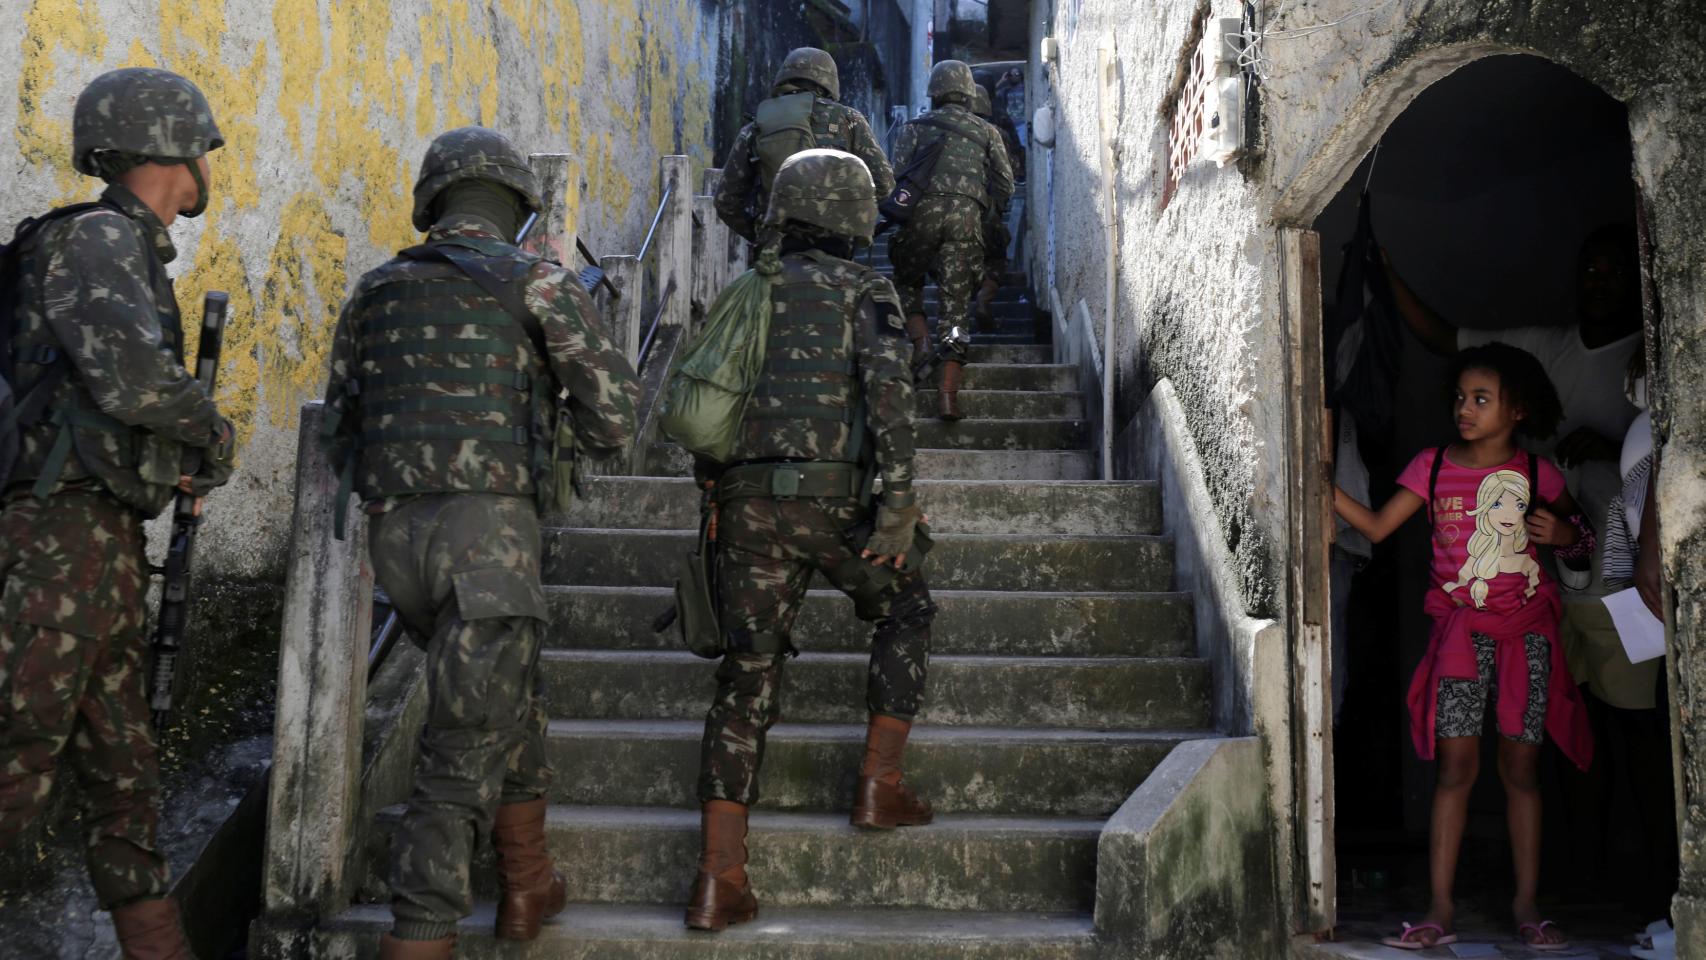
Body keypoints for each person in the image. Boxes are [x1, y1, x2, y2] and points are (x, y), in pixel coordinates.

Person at [320, 126, 640, 958]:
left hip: (397, 542)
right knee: (457, 750)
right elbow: (618, 418)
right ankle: (421, 934)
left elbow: (342, 428)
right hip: (489, 541)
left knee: (505, 700)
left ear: (435, 203)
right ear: (517, 207)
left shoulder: (375, 290)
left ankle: (527, 883)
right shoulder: (538, 282)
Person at [0, 67, 237, 958]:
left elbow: (104, 395)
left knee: (124, 774)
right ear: (176, 148)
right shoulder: (98, 235)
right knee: (18, 746)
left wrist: (168, 461)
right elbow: (132, 378)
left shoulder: (124, 245)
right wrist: (211, 432)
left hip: (96, 536)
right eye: (203, 150)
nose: (209, 167)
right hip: (60, 539)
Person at [684, 149, 937, 933]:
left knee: (746, 679)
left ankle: (719, 882)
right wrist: (898, 506)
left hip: (748, 508)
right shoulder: (868, 291)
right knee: (908, 608)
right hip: (837, 509)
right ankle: (878, 786)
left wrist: (719, 496)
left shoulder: (747, 290)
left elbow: (708, 406)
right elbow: (890, 400)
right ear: (854, 215)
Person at [1333, 343, 1595, 952]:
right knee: (1454, 771)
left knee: (1521, 772)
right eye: (1460, 397)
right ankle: (1439, 908)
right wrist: (1325, 489)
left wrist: (1560, 535)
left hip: (1526, 639)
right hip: (1459, 639)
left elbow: (1584, 541)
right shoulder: (1430, 466)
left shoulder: (1538, 475)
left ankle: (1527, 904)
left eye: (1481, 399)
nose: (1465, 409)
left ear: (1519, 410)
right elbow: (1374, 527)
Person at [1385, 225, 1643, 538]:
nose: (1600, 283)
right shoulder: (1541, 346)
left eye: (1615, 271)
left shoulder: (1648, 359)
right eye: (1590, 269)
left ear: (1638, 278)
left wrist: (1614, 450)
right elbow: (1442, 339)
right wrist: (1385, 270)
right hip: (1534, 548)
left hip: (1621, 543)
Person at [889, 60, 1014, 420]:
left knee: (905, 279)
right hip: (966, 222)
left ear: (935, 92)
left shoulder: (913, 129)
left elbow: (894, 178)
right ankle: (947, 396)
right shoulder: (986, 131)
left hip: (920, 219)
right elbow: (1004, 183)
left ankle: (921, 340)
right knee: (957, 309)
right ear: (967, 92)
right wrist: (988, 213)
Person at [713, 47, 895, 244]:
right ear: (830, 81)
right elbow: (885, 186)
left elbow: (725, 201)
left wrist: (760, 235)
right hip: (835, 245)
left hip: (775, 250)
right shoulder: (849, 120)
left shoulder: (759, 124)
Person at [969, 86, 1014, 329]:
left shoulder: (947, 131)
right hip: (988, 213)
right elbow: (1009, 176)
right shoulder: (997, 134)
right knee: (996, 262)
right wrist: (998, 207)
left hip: (954, 210)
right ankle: (984, 298)